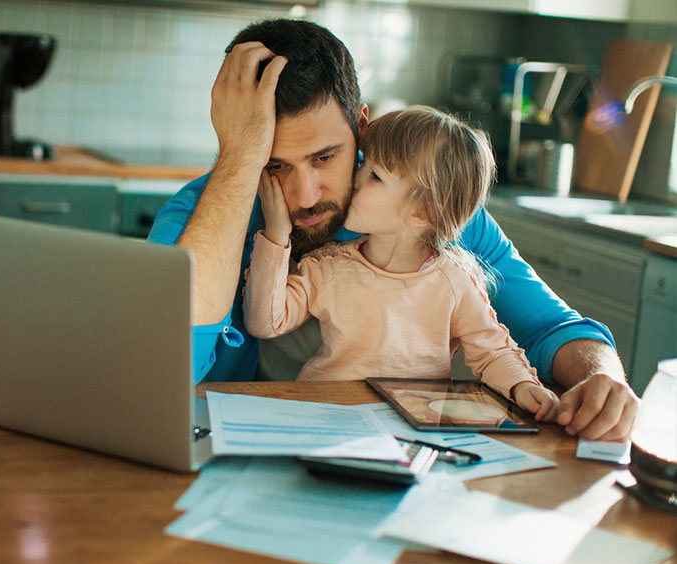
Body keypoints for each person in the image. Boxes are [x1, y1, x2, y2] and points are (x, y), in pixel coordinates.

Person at [148, 18, 638, 441]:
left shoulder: (422, 206)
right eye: (273, 165)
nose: (306, 195)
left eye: (325, 157)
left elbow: (551, 326)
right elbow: (163, 370)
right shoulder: (197, 214)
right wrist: (239, 158)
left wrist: (604, 382)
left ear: (362, 128)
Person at [243, 105, 559, 420]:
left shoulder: (456, 281)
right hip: (326, 416)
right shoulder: (327, 266)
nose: (355, 180)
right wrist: (276, 234)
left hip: (413, 429)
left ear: (424, 213)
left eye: (375, 176)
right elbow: (265, 322)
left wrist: (522, 386)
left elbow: (494, 352)